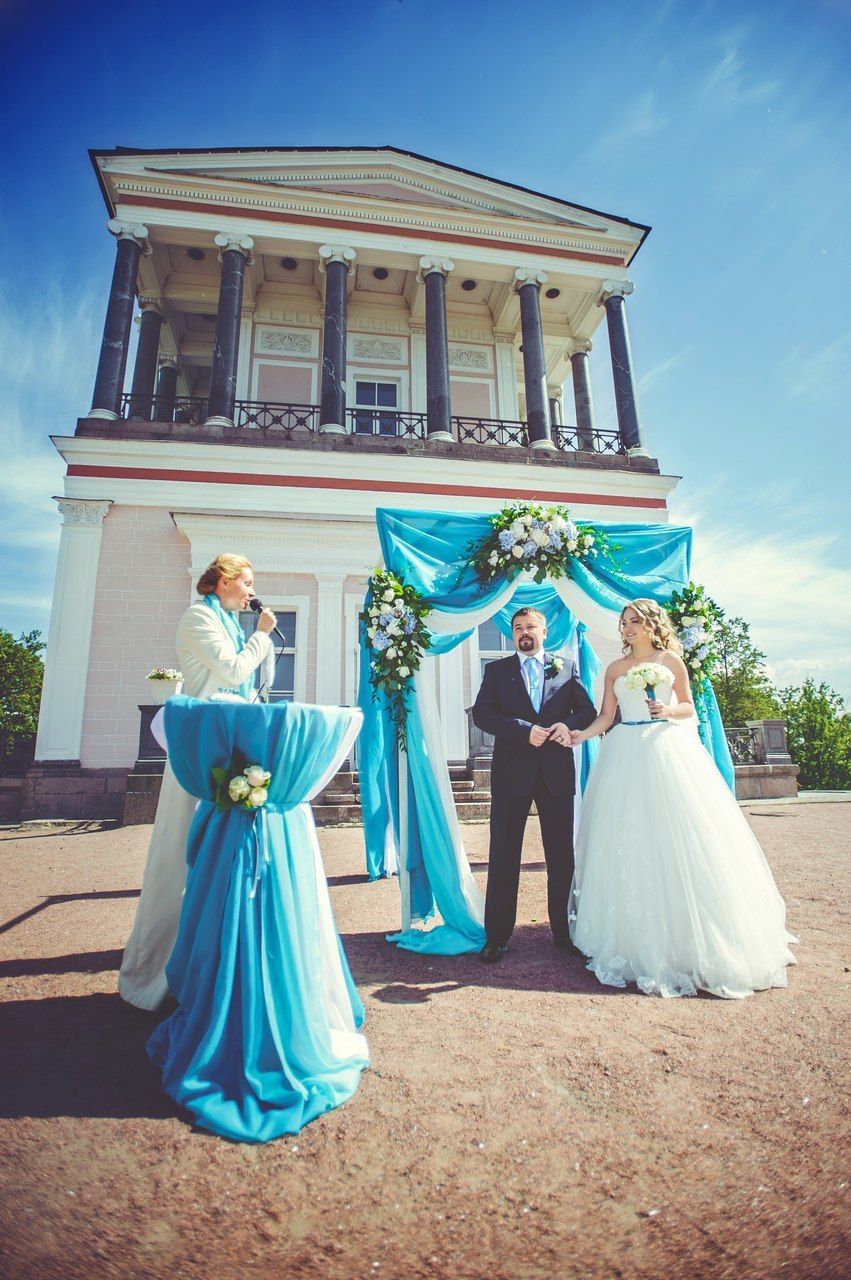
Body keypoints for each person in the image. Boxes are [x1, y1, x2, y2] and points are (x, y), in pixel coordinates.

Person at [567, 599, 797, 999]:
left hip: (665, 745)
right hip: (624, 750)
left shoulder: (670, 659)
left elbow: (690, 704)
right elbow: (607, 717)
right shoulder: (615, 669)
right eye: (624, 623)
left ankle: (696, 936)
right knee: (627, 837)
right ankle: (629, 938)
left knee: (680, 832)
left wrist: (667, 710)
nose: (628, 628)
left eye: (635, 621)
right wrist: (579, 736)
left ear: (651, 624)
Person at [118, 554, 278, 1011]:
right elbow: (229, 671)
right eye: (246, 582)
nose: (251, 591)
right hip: (198, 752)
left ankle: (209, 966)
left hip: (227, 746)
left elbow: (244, 683)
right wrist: (262, 637)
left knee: (221, 861)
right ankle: (155, 972)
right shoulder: (198, 618)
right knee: (180, 856)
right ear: (224, 581)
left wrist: (258, 645)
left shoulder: (228, 621)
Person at [471, 606, 597, 963]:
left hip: (556, 774)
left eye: (531, 627)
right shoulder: (496, 670)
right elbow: (483, 713)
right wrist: (523, 731)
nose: (524, 632)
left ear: (544, 631)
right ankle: (496, 936)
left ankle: (565, 932)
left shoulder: (567, 667)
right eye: (518, 628)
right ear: (513, 634)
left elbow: (587, 711)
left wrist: (566, 725)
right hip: (512, 772)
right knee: (503, 855)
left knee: (561, 857)